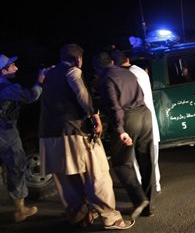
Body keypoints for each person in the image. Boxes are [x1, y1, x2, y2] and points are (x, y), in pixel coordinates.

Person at [38, 44, 134, 230]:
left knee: (67, 179)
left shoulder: (48, 74)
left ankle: (79, 217)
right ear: (78, 59)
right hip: (74, 132)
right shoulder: (73, 71)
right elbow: (81, 94)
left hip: (48, 134)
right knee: (97, 175)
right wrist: (95, 116)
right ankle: (110, 218)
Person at [93, 51, 155, 219]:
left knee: (120, 163)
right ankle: (148, 206)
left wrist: (120, 130)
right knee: (146, 160)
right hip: (145, 114)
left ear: (97, 69)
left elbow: (114, 106)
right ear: (112, 61)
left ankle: (139, 200)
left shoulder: (106, 79)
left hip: (129, 119)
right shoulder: (126, 72)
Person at [0, 54, 44, 223]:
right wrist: (40, 80)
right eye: (12, 66)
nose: (16, 68)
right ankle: (20, 210)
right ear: (3, 71)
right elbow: (31, 96)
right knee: (16, 167)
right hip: (6, 133)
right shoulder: (6, 87)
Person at [110, 49, 161, 194]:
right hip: (148, 119)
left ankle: (142, 191)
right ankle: (155, 185)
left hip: (135, 119)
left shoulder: (126, 75)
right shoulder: (140, 71)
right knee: (151, 158)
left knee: (135, 159)